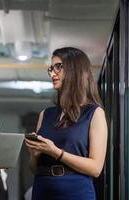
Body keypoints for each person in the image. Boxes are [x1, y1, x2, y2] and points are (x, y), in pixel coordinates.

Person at [25, 47, 108, 200]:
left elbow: (96, 168)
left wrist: (56, 152)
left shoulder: (94, 113)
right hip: (42, 190)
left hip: (75, 191)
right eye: (51, 68)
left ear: (75, 70)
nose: (52, 73)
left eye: (58, 67)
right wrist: (34, 156)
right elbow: (34, 168)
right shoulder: (46, 114)